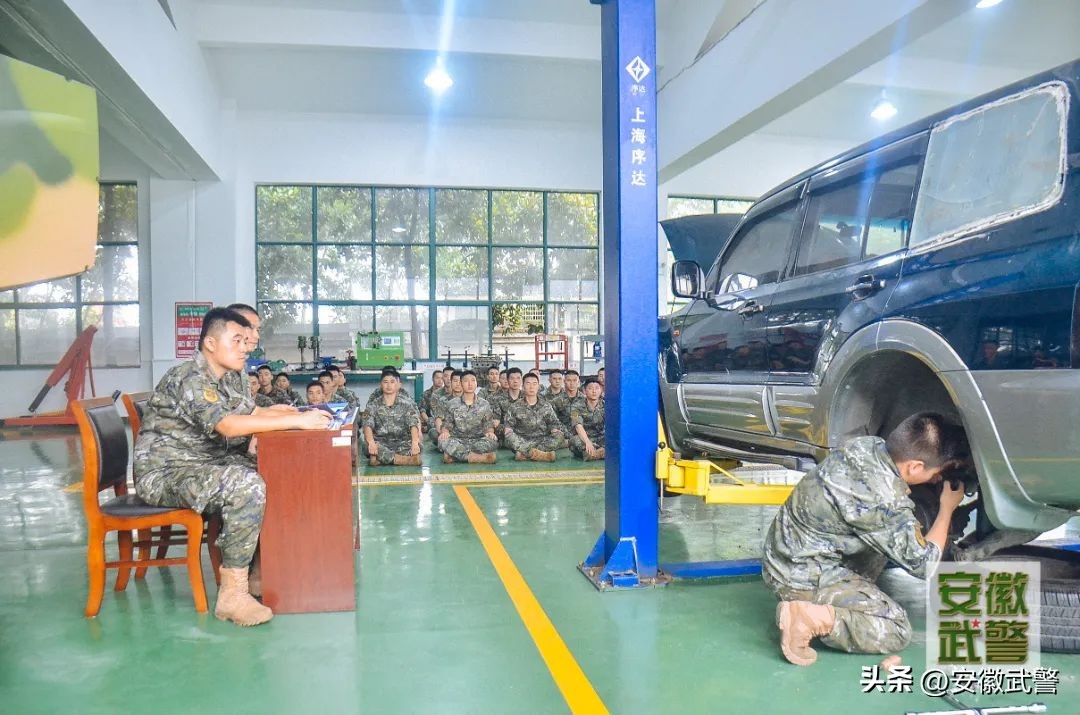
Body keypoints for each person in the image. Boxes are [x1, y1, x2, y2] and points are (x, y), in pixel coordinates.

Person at [134, 307, 330, 627]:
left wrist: (297, 415)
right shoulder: (189, 377)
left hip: (202, 463)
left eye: (244, 340)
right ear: (210, 344)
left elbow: (250, 413)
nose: (244, 347)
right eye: (236, 340)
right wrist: (297, 421)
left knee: (269, 468)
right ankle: (233, 595)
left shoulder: (221, 378)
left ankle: (264, 569)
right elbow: (226, 424)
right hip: (166, 473)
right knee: (246, 485)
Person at [762, 412, 970, 667]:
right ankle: (807, 617)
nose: (938, 478)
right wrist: (947, 508)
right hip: (798, 576)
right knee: (896, 628)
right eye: (938, 472)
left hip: (786, 551)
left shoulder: (867, 445)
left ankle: (840, 594)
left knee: (896, 534)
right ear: (915, 466)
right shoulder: (884, 500)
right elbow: (924, 565)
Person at [363, 372, 422, 467]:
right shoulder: (373, 405)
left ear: (398, 385)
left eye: (392, 382)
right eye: (385, 382)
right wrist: (371, 442)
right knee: (366, 446)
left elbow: (413, 424)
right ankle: (404, 460)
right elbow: (367, 426)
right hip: (381, 442)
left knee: (418, 445)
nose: (389, 385)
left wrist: (415, 442)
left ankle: (381, 458)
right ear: (381, 385)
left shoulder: (406, 404)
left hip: (402, 441)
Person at [438, 370, 497, 464]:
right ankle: (475, 458)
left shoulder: (484, 404)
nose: (470, 384)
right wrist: (445, 432)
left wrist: (490, 433)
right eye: (466, 381)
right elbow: (446, 425)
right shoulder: (452, 404)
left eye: (473, 380)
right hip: (457, 440)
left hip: (478, 440)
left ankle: (456, 456)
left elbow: (488, 425)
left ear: (476, 383)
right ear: (461, 383)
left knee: (493, 441)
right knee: (442, 441)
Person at [503, 373, 565, 462]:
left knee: (559, 436)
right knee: (508, 437)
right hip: (522, 440)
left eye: (534, 384)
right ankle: (541, 455)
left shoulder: (546, 405)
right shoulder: (515, 406)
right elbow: (508, 428)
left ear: (538, 387)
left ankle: (525, 454)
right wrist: (511, 435)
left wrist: (554, 429)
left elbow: (554, 423)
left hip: (542, 440)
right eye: (528, 383)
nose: (531, 387)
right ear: (523, 387)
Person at [569, 378, 605, 461]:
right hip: (584, 437)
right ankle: (601, 453)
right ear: (584, 391)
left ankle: (592, 454)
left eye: (597, 388)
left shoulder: (606, 405)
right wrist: (587, 441)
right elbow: (578, 425)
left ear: (601, 390)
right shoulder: (575, 406)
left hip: (600, 437)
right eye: (590, 388)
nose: (594, 391)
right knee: (574, 441)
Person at [490, 367, 524, 446]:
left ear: (522, 380)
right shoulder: (497, 398)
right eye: (512, 378)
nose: (515, 381)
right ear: (508, 380)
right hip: (506, 433)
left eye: (518, 378)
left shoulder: (528, 397)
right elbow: (496, 423)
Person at [429, 371, 463, 445]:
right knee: (433, 432)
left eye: (460, 381)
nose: (458, 384)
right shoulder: (443, 400)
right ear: (451, 382)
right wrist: (443, 433)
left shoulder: (469, 399)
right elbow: (438, 419)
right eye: (455, 381)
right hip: (448, 431)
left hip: (465, 433)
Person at [551, 369, 583, 434]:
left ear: (578, 382)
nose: (572, 383)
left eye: (574, 380)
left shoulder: (585, 399)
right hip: (562, 433)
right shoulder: (557, 401)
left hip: (582, 433)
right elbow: (553, 420)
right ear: (564, 381)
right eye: (569, 380)